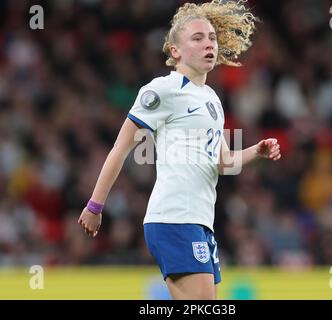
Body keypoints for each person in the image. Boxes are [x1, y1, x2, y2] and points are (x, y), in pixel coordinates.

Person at [78, 0, 281, 300]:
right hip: (174, 217)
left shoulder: (212, 99)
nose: (208, 43)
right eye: (197, 38)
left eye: (211, 37)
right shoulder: (162, 90)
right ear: (176, 51)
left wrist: (256, 151)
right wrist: (95, 206)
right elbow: (120, 149)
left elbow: (224, 162)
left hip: (200, 221)